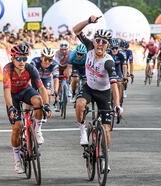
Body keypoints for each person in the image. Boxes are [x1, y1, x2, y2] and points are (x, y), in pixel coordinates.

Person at [73, 15, 123, 172]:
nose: (100, 44)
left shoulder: (108, 62)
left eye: (104, 42)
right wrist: (88, 21)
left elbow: (114, 85)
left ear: (107, 45)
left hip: (103, 93)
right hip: (89, 88)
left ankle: (104, 158)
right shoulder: (88, 48)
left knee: (106, 130)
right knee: (80, 104)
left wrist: (117, 105)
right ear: (94, 41)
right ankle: (82, 130)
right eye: (98, 40)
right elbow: (76, 30)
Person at [3, 44, 52, 174]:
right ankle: (17, 158)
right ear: (13, 58)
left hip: (25, 91)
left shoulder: (30, 68)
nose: (22, 62)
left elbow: (41, 88)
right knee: (17, 127)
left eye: (25, 58)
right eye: (19, 58)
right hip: (13, 95)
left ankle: (37, 130)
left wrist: (46, 104)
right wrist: (11, 108)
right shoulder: (8, 69)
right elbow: (7, 91)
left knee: (38, 101)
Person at [30, 47, 59, 115]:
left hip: (46, 78)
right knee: (31, 94)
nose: (47, 61)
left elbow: (56, 79)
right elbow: (28, 76)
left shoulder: (54, 64)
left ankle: (46, 109)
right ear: (41, 57)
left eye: (50, 59)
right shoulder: (34, 62)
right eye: (45, 59)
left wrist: (56, 91)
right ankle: (28, 112)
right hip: (35, 79)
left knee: (48, 93)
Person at [108, 38, 127, 106]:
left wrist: (125, 76)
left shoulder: (121, 54)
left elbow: (124, 66)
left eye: (116, 48)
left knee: (119, 84)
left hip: (118, 71)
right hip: (109, 71)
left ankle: (119, 102)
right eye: (113, 48)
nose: (115, 50)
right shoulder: (107, 54)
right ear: (110, 48)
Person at [54, 40, 72, 111]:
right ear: (60, 49)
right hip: (59, 67)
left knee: (71, 73)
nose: (64, 51)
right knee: (58, 84)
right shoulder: (57, 53)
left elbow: (72, 62)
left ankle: (69, 86)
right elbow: (58, 63)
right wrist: (65, 57)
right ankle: (57, 102)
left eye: (65, 49)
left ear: (68, 48)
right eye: (62, 50)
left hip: (68, 66)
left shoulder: (71, 53)